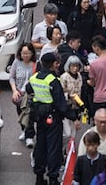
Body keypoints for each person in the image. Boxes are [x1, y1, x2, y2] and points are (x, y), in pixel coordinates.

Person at [28, 52, 80, 185]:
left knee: (40, 146)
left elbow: (29, 89)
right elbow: (61, 104)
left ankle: (39, 177)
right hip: (53, 119)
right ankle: (52, 178)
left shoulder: (34, 78)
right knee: (53, 148)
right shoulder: (53, 81)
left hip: (39, 117)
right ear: (52, 65)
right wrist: (74, 117)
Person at [9, 42, 37, 147]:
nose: (25, 56)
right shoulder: (16, 62)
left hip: (30, 95)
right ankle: (24, 130)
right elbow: (11, 77)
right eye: (23, 53)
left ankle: (29, 136)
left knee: (28, 115)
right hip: (19, 94)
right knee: (21, 114)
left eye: (28, 53)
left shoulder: (36, 64)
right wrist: (14, 91)